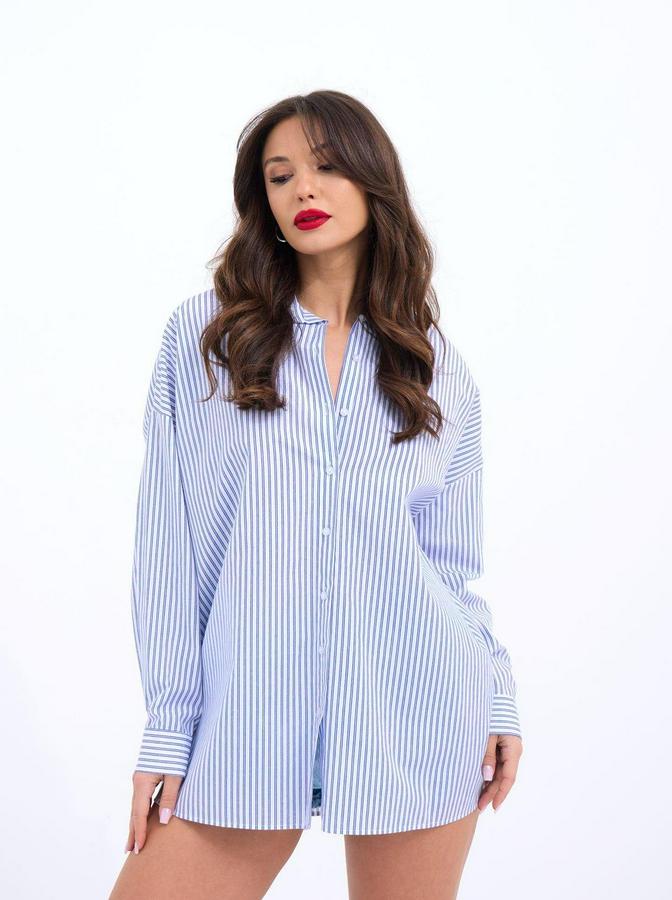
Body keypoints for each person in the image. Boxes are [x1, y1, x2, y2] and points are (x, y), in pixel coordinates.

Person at [109, 89, 523, 900]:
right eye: (280, 174)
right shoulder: (207, 342)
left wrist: (498, 697)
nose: (303, 188)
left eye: (327, 167)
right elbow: (168, 548)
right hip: (243, 724)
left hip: (419, 716)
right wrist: (168, 728)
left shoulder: (435, 367)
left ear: (374, 182)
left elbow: (449, 568)